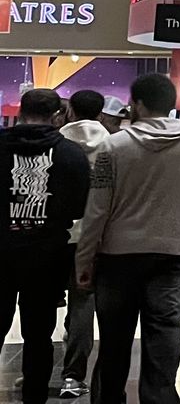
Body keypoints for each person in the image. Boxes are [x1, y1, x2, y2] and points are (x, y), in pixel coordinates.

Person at [75, 73, 180, 404]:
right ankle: (160, 397)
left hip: (118, 256)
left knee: (114, 339)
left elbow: (97, 210)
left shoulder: (113, 147)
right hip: (173, 253)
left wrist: (84, 261)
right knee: (164, 333)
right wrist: (179, 226)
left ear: (135, 104)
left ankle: (109, 398)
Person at [2, 89, 91, 404]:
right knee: (38, 335)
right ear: (58, 116)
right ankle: (34, 397)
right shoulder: (70, 154)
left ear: (21, 112)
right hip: (47, 254)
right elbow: (81, 208)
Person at [56, 90, 115, 400]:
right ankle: (73, 376)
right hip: (94, 237)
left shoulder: (56, 146)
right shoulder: (113, 145)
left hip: (55, 237)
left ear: (70, 111)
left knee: (36, 303)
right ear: (102, 113)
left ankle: (34, 369)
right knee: (83, 304)